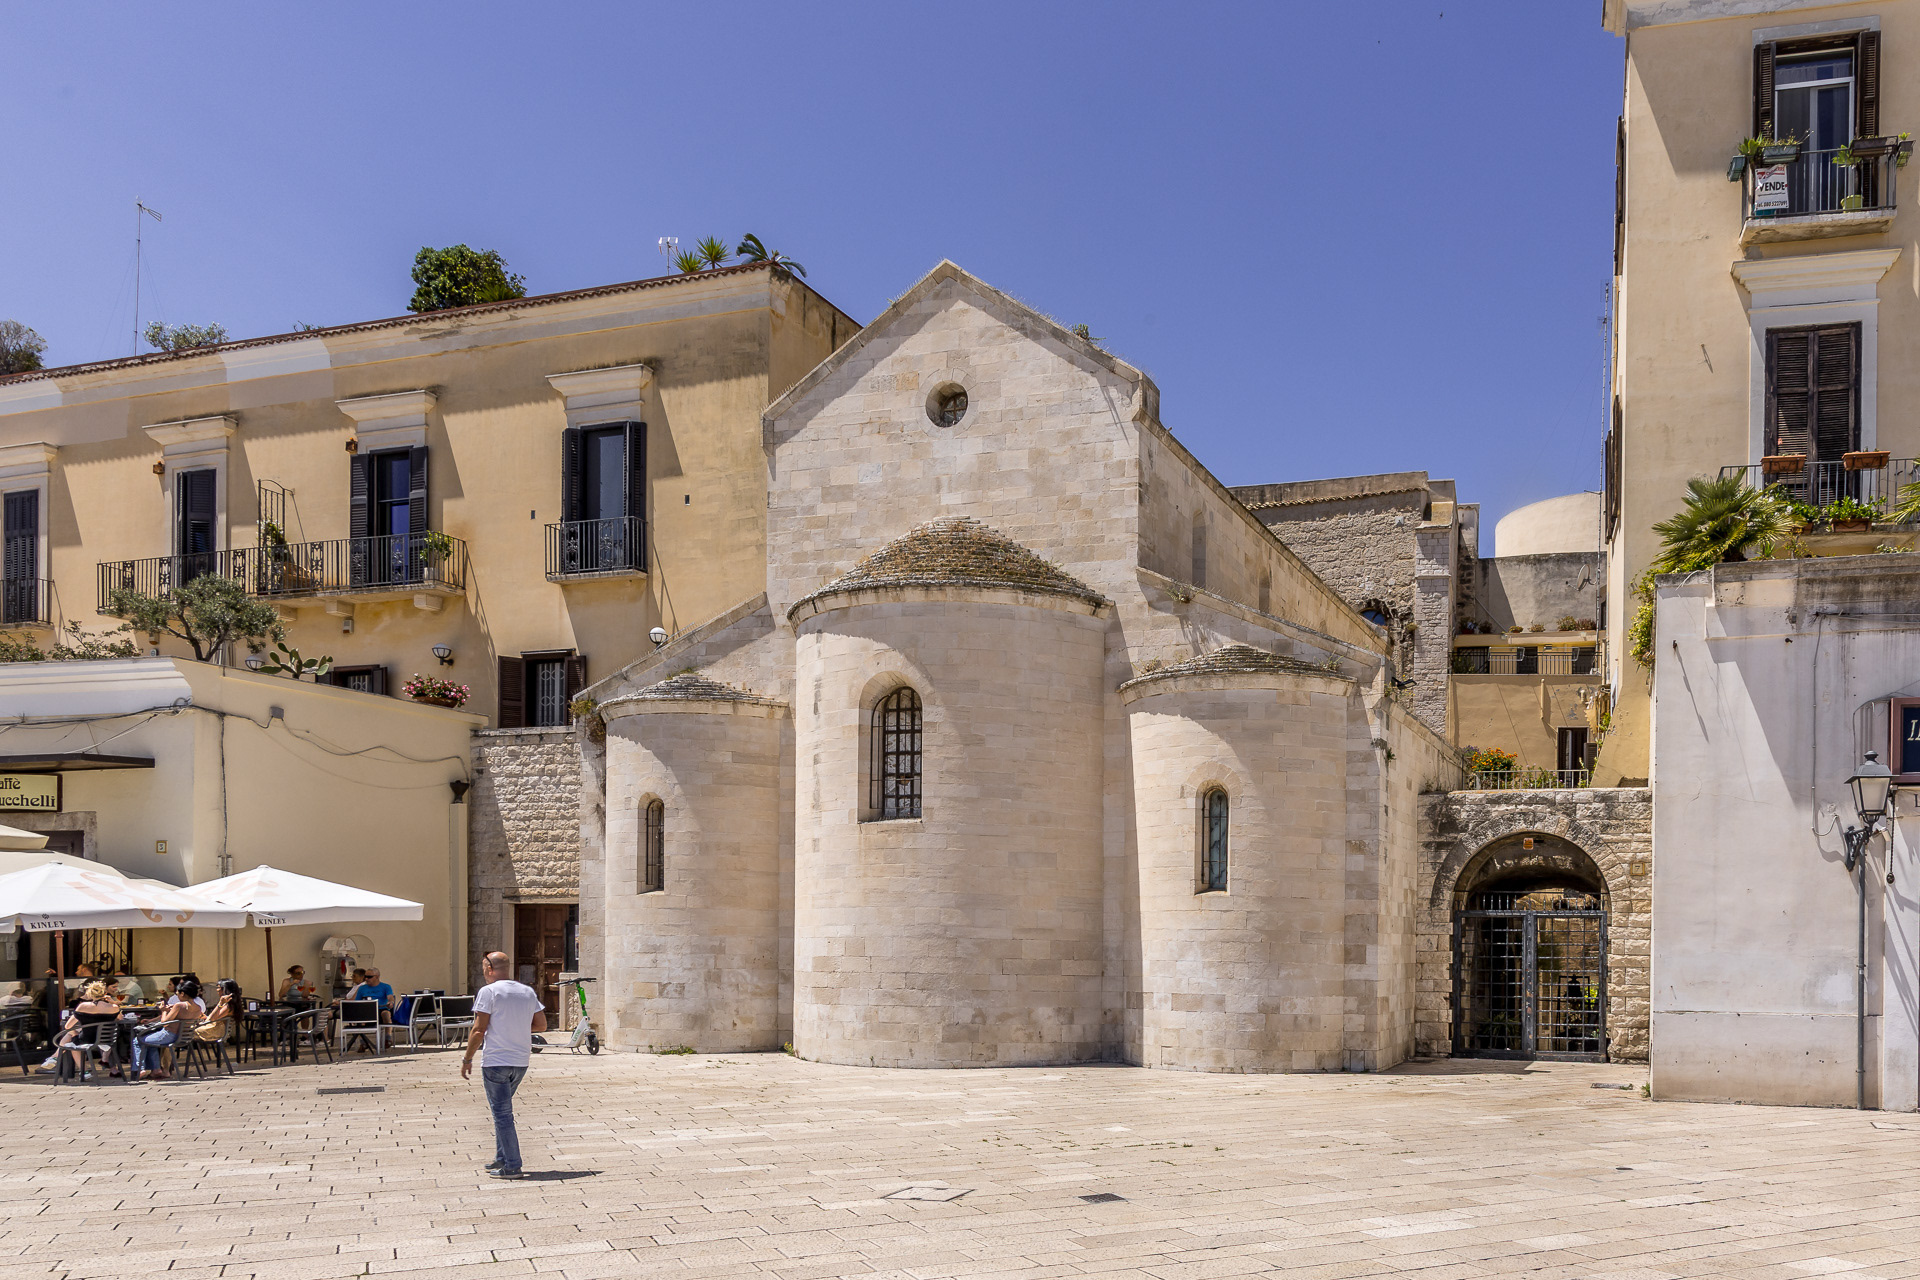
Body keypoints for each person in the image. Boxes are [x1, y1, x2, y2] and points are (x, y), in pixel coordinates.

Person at [462, 952, 545, 1179]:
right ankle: (501, 1158)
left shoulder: (488, 992)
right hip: (520, 1061)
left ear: (490, 968)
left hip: (496, 1061)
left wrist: (467, 1058)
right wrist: (515, 1027)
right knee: (502, 1110)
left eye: (482, 967)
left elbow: (478, 1030)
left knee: (502, 1114)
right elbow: (541, 1025)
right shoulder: (527, 991)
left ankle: (512, 1165)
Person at [132, 979, 203, 1080]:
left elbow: (164, 1023)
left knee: (137, 1040)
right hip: (183, 1037)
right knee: (150, 1041)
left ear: (183, 993)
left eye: (178, 993)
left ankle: (140, 1068)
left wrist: (163, 1010)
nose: (177, 995)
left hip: (169, 1035)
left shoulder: (179, 1005)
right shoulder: (198, 1008)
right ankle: (156, 1070)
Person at [58, 982, 120, 1080]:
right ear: (104, 993)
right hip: (107, 1040)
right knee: (72, 1037)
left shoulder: (83, 1006)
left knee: (72, 1043)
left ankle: (84, 1071)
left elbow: (68, 1026)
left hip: (86, 1040)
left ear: (90, 993)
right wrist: (112, 1002)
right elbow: (121, 1017)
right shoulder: (114, 1008)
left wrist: (74, 1034)